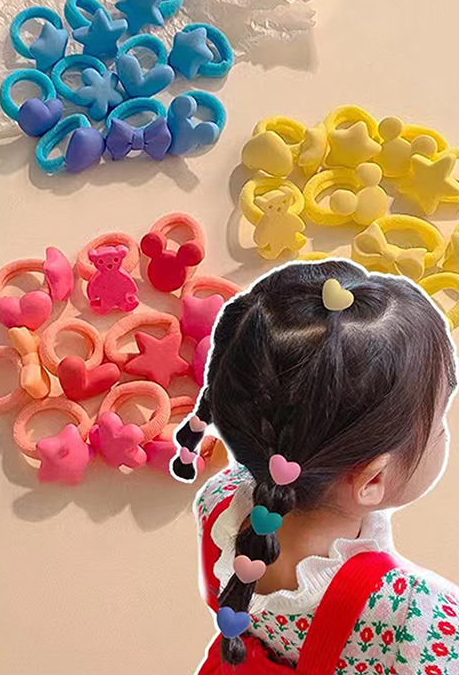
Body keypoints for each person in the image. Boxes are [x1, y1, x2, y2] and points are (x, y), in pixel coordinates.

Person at [172, 259, 459, 674]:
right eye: (438, 425)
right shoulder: (421, 618)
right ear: (372, 479)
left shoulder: (217, 503)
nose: (444, 434)